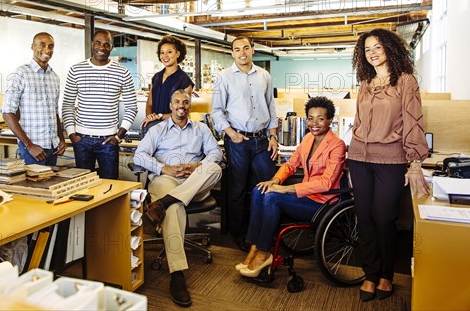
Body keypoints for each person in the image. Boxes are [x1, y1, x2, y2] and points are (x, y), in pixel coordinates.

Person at [347, 28, 429, 302]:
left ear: (390, 49)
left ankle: (386, 275)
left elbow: (413, 121)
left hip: (391, 160)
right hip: (359, 158)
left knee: (384, 218)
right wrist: (350, 156)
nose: (372, 52)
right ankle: (370, 275)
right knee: (365, 218)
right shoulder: (365, 82)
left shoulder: (405, 81)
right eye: (367, 48)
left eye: (377, 47)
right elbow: (358, 122)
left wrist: (415, 162)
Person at [237, 97, 346, 277]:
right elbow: (290, 165)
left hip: (323, 203)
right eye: (310, 118)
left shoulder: (337, 145)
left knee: (272, 197)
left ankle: (264, 252)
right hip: (305, 197)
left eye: (320, 118)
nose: (314, 123)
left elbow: (326, 183)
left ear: (330, 121)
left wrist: (286, 189)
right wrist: (275, 181)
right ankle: (255, 246)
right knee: (260, 189)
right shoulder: (308, 139)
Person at [134, 89, 223, 307]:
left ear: (189, 105)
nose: (181, 105)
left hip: (195, 182)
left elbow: (216, 154)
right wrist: (164, 168)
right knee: (174, 208)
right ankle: (177, 274)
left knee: (214, 168)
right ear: (171, 105)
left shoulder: (201, 129)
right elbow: (139, 155)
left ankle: (162, 203)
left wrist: (195, 166)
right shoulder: (158, 130)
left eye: (185, 101)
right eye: (176, 102)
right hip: (167, 180)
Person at [211, 35, 279, 251]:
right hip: (238, 140)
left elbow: (271, 105)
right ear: (232, 53)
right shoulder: (224, 77)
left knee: (269, 182)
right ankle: (240, 235)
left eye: (246, 48)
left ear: (252, 50)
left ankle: (265, 230)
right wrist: (231, 134)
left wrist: (273, 135)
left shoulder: (264, 75)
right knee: (237, 189)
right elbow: (216, 111)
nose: (242, 52)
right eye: (237, 49)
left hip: (261, 139)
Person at [62, 29, 137, 178]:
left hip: (108, 141)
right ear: (92, 44)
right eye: (98, 43)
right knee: (83, 187)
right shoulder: (76, 70)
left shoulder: (123, 73)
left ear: (111, 47)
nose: (101, 48)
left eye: (106, 44)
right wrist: (71, 134)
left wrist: (118, 136)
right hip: (81, 139)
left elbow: (132, 107)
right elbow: (67, 105)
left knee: (111, 186)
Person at [1, 32, 67, 165]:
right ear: (32, 47)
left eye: (51, 46)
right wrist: (29, 145)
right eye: (42, 45)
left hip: (52, 148)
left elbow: (54, 113)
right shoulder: (20, 74)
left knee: (50, 184)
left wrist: (61, 139)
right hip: (32, 149)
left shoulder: (54, 77)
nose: (47, 49)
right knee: (33, 185)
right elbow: (7, 113)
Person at [142, 35, 194, 127]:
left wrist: (159, 116)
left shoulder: (184, 80)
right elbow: (149, 104)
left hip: (174, 128)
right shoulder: (156, 77)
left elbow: (183, 111)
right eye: (162, 52)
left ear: (178, 53)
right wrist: (150, 117)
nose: (165, 56)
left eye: (169, 52)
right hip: (154, 126)